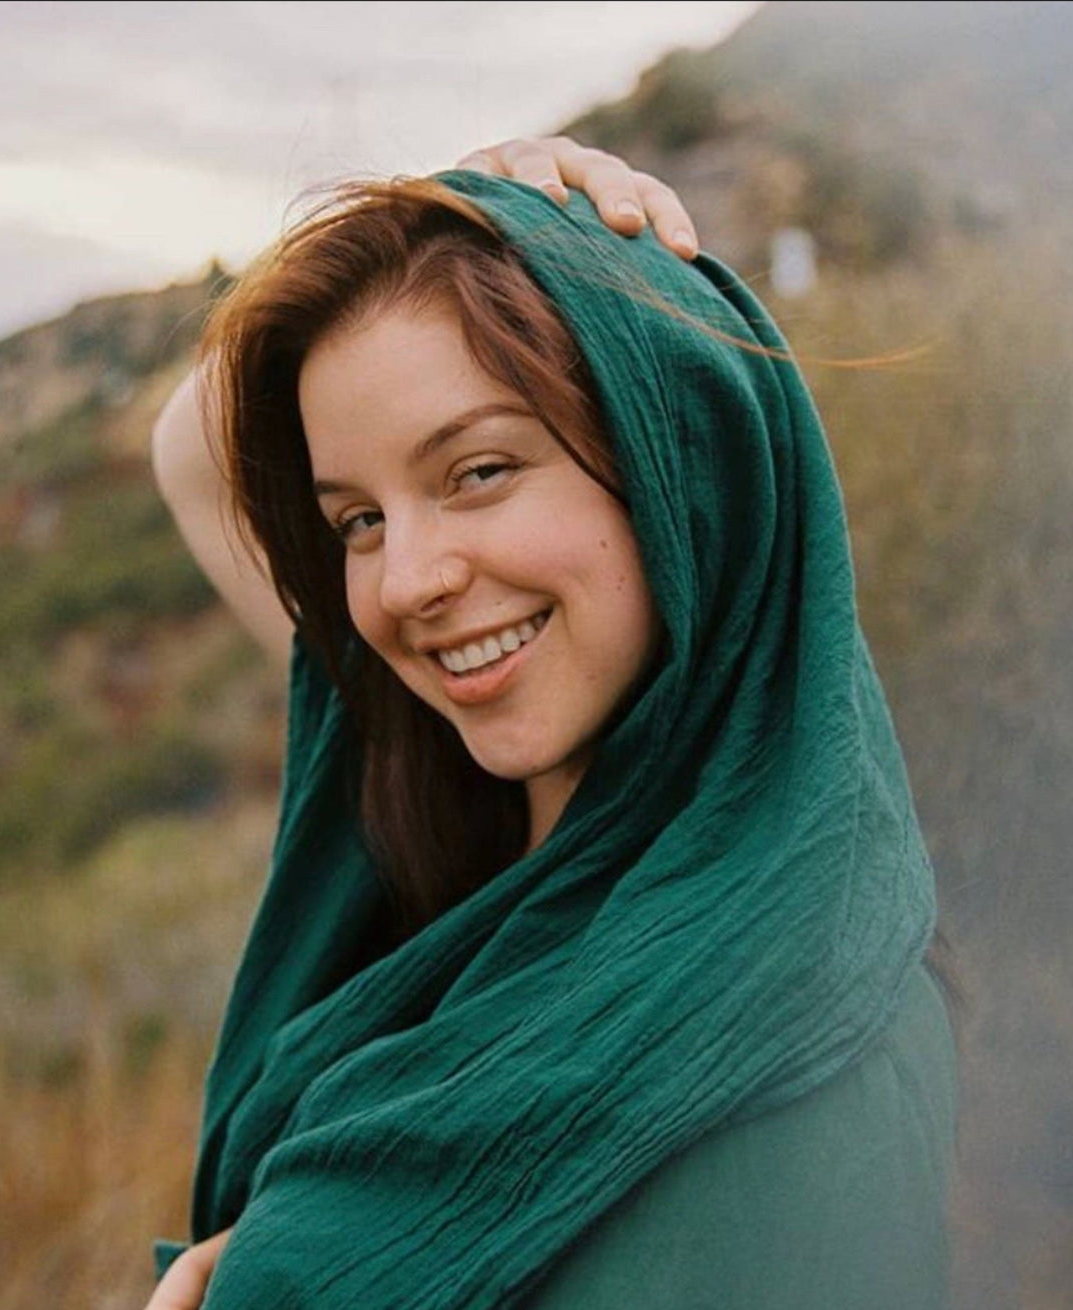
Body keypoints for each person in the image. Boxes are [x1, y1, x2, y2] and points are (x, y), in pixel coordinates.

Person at [147, 138, 956, 1310]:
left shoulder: (808, 1056)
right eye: (359, 518)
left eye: (477, 470)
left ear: (678, 462)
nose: (408, 580)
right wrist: (458, 201)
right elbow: (195, 443)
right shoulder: (429, 804)